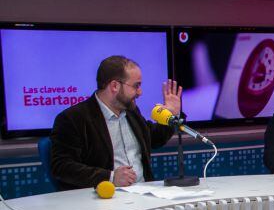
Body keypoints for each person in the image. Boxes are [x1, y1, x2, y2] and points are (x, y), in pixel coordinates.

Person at [50, 55, 182, 190]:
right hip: (103, 200)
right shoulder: (73, 118)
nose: (140, 92)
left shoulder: (132, 111)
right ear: (114, 86)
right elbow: (61, 166)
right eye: (136, 86)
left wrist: (172, 114)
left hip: (144, 193)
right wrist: (110, 177)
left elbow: (154, 138)